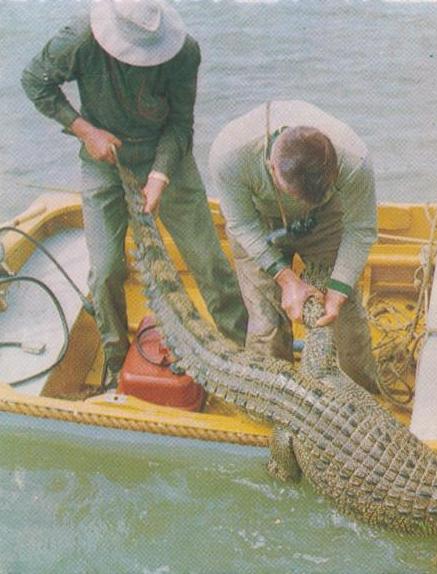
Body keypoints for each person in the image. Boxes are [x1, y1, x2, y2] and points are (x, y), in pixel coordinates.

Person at [21, 0, 248, 386]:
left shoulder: (184, 51)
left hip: (167, 154)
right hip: (103, 157)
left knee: (208, 259)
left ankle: (242, 348)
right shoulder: (79, 39)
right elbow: (34, 81)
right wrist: (86, 132)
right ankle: (114, 358)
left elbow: (181, 123)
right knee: (105, 269)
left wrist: (160, 175)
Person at [208, 100, 379, 393]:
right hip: (259, 222)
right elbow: (242, 225)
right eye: (295, 195)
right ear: (272, 168)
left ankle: (364, 391)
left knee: (347, 321)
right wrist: (287, 280)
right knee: (266, 325)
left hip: (325, 217)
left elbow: (360, 229)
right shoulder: (230, 155)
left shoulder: (353, 159)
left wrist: (338, 292)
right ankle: (273, 395)